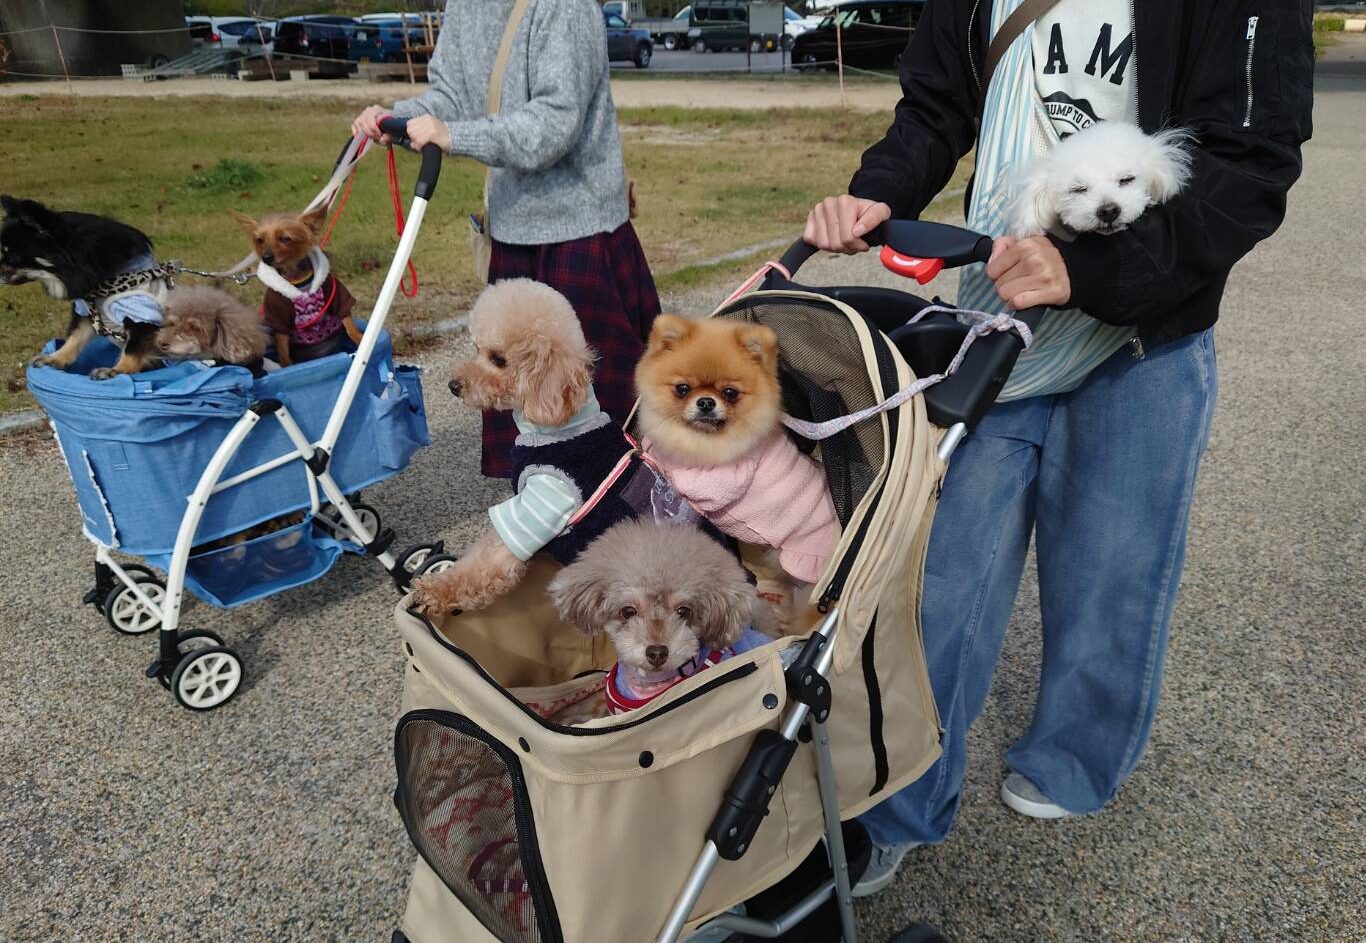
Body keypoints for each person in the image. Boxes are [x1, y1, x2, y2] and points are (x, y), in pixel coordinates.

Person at [805, 0, 1313, 897]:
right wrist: (883, 186)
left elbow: (1249, 158)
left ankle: (1072, 759)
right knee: (938, 581)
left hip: (1143, 335)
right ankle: (898, 800)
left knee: (1110, 576)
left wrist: (1092, 268)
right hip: (996, 323)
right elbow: (936, 103)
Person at [352, 0, 658, 479]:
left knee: (598, 397)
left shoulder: (566, 8)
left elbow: (555, 122)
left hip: (579, 224)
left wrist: (457, 136)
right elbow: (451, 96)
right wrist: (399, 118)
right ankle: (542, 488)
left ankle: (622, 494)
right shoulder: (466, 6)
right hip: (513, 225)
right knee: (511, 378)